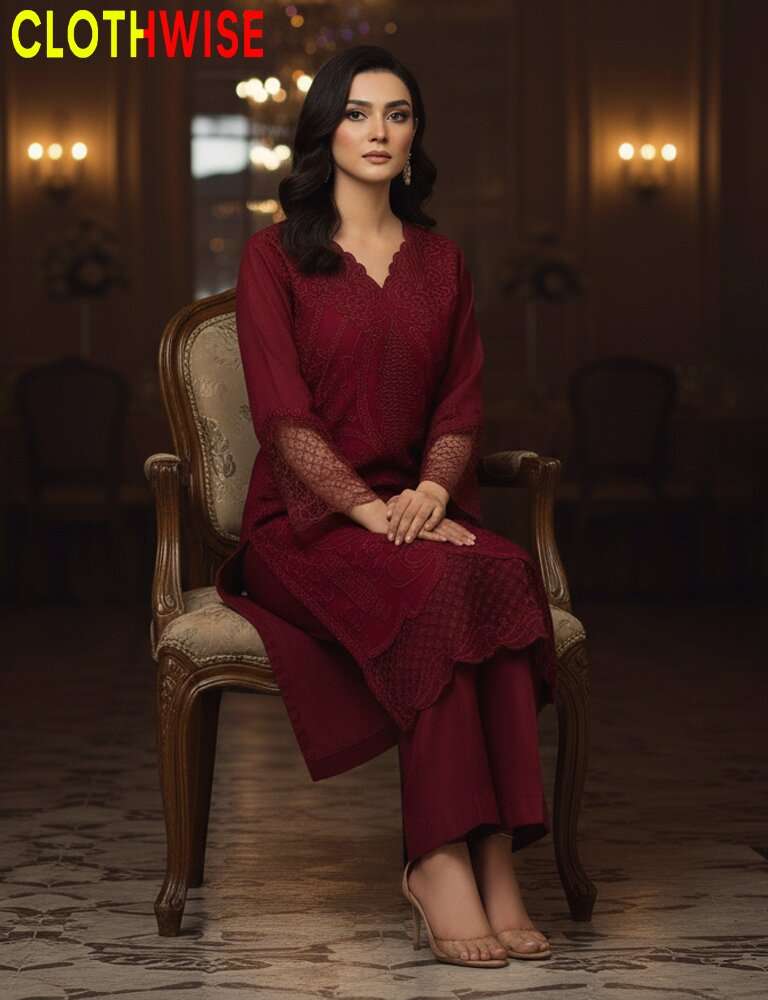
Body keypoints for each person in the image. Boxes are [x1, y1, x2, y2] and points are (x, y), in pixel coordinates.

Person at [215, 44, 559, 968]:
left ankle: (498, 853)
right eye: (360, 113)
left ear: (415, 137)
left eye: (398, 114)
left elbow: (461, 400)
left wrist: (434, 492)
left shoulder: (442, 262)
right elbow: (283, 417)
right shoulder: (273, 258)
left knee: (499, 568)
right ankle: (439, 855)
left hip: (419, 507)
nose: (379, 131)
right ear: (326, 130)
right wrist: (375, 514)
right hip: (306, 524)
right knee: (439, 585)